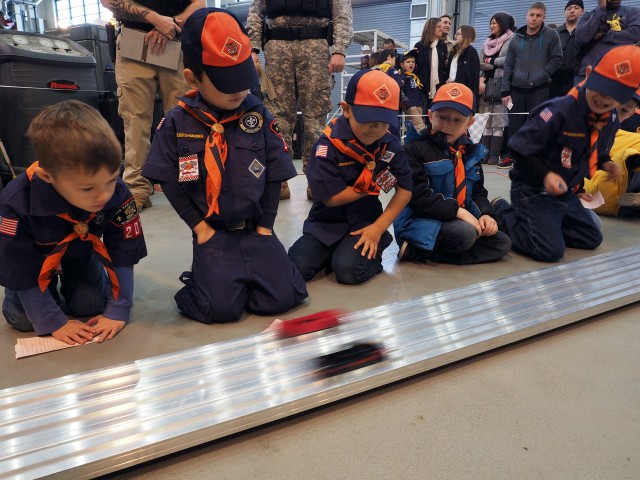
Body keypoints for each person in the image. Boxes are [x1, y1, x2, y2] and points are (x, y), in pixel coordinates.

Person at [142, 8, 308, 324]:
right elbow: (171, 183)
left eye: (243, 79)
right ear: (192, 78)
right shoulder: (177, 121)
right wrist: (199, 227)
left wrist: (266, 226)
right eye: (226, 83)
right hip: (213, 232)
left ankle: (233, 276)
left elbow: (274, 175)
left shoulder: (257, 115)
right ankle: (206, 280)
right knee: (220, 311)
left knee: (284, 297)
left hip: (255, 228)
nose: (239, 91)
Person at [0, 100, 148, 344]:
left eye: (111, 179)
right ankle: (37, 295)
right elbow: (16, 263)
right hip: (33, 262)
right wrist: (52, 320)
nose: (104, 195)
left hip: (79, 252)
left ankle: (75, 277)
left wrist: (119, 308)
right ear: (48, 177)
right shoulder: (15, 202)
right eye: (88, 187)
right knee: (24, 321)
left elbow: (125, 249)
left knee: (89, 304)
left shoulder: (117, 192)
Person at [491, 45, 640, 263]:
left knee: (591, 237)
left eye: (615, 96)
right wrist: (546, 175)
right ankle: (502, 211)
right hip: (533, 189)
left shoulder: (611, 119)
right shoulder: (558, 111)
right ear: (589, 74)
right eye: (601, 89)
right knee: (549, 251)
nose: (604, 100)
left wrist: (606, 163)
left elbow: (595, 150)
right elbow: (518, 147)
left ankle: (545, 222)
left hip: (565, 193)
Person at [288, 69, 412, 285]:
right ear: (346, 109)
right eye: (369, 121)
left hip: (366, 223)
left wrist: (378, 227)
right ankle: (335, 253)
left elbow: (405, 189)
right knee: (296, 267)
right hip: (325, 225)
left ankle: (374, 247)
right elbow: (331, 198)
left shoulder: (390, 145)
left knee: (348, 272)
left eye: (384, 123)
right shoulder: (328, 146)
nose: (376, 129)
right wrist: (369, 187)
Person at [100, 0, 205, 211]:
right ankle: (137, 189)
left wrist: (171, 24)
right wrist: (155, 19)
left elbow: (199, 3)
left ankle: (190, 184)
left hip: (176, 39)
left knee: (186, 120)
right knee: (135, 119)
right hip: (134, 40)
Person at [247, 0, 353, 201]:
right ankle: (278, 181)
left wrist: (340, 48)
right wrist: (252, 47)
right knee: (277, 118)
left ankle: (317, 181)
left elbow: (342, 11)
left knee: (316, 119)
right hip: (277, 45)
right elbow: (257, 9)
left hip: (316, 44)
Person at [394, 83, 511, 264]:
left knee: (502, 242)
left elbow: (478, 192)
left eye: (457, 120)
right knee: (466, 233)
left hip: (455, 221)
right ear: (431, 115)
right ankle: (417, 247)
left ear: (470, 122)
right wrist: (460, 213)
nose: (448, 125)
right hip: (418, 222)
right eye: (442, 117)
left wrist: (485, 214)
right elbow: (418, 199)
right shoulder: (414, 149)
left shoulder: (471, 152)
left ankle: (424, 253)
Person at [500, 2, 563, 170]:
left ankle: (534, 159)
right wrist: (505, 91)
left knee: (538, 125)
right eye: (532, 15)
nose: (534, 18)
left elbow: (557, 59)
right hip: (516, 90)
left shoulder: (551, 35)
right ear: (527, 16)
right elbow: (508, 65)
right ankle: (515, 158)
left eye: (538, 15)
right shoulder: (516, 38)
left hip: (539, 89)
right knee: (514, 126)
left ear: (544, 17)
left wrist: (541, 76)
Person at [583, 88, 640, 216]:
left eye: (624, 110)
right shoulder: (585, 123)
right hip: (597, 191)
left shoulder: (615, 130)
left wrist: (606, 163)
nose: (614, 113)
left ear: (631, 113)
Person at [479, 12, 516, 165]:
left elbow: (509, 59)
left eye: (495, 22)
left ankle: (495, 155)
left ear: (503, 23)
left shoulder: (512, 39)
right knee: (487, 121)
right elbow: (481, 63)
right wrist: (491, 63)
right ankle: (484, 154)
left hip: (502, 84)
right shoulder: (486, 42)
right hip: (486, 84)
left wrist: (491, 60)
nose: (492, 25)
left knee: (499, 121)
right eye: (491, 22)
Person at [574, 0, 640, 84]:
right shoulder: (588, 15)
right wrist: (600, 9)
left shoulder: (633, 12)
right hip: (588, 72)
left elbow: (635, 34)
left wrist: (604, 35)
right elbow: (582, 37)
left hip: (621, 72)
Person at [550, 0, 585, 97]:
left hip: (577, 81)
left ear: (583, 11)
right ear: (564, 12)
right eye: (569, 9)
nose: (572, 11)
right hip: (555, 82)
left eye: (576, 8)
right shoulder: (554, 33)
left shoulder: (586, 33)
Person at [414, 17, 448, 113]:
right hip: (423, 89)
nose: (442, 29)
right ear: (431, 28)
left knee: (437, 115)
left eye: (442, 26)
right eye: (438, 26)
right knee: (423, 117)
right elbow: (414, 67)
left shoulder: (443, 46)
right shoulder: (419, 46)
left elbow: (444, 67)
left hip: (439, 88)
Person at [445, 25, 480, 104]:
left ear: (465, 35)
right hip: (450, 90)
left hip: (463, 93)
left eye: (458, 34)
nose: (455, 36)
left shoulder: (471, 52)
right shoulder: (454, 51)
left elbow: (472, 78)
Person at [400, 50, 427, 134]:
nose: (411, 63)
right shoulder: (401, 76)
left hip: (419, 104)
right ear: (402, 65)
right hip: (411, 106)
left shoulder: (414, 76)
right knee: (420, 127)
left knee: (415, 129)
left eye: (413, 62)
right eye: (408, 62)